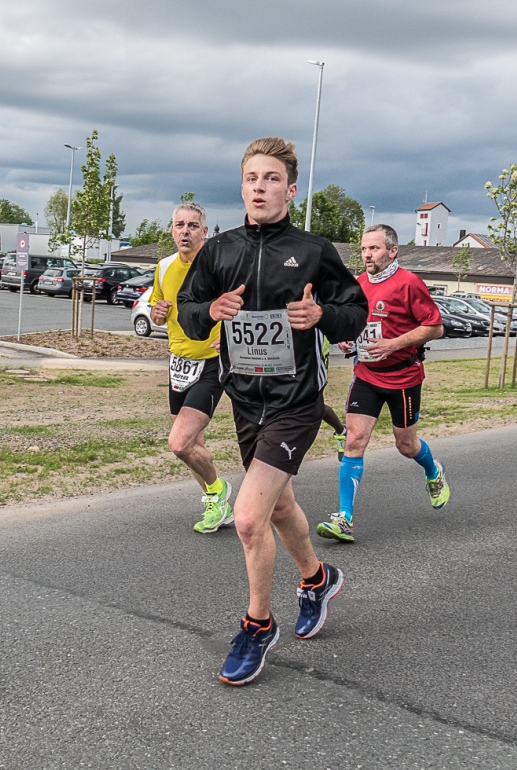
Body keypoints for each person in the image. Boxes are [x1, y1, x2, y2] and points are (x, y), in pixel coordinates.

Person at [177, 136, 368, 686]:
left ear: (290, 187)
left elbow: (354, 311)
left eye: (271, 179)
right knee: (280, 508)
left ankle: (257, 625)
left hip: (297, 402)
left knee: (247, 518)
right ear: (242, 185)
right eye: (251, 178)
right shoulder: (220, 250)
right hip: (246, 399)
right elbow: (190, 313)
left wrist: (322, 314)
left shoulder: (312, 250)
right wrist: (209, 309)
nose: (260, 187)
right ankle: (317, 578)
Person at [316, 224, 448, 544]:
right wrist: (345, 339)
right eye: (363, 249)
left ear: (392, 251)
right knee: (354, 441)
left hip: (403, 377)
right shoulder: (358, 284)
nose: (367, 255)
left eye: (373, 249)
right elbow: (351, 323)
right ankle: (344, 518)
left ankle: (433, 471)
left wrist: (394, 344)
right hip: (366, 375)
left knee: (406, 445)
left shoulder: (409, 284)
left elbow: (436, 327)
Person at [148, 201, 234, 533]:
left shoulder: (219, 267)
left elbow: (243, 304)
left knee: (180, 442)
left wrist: (229, 338)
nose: (185, 231)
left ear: (205, 231)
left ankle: (218, 490)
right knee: (192, 444)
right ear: (172, 230)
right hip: (179, 363)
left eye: (192, 225)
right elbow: (157, 307)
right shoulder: (164, 266)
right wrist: (157, 312)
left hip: (212, 362)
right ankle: (218, 505)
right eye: (179, 225)